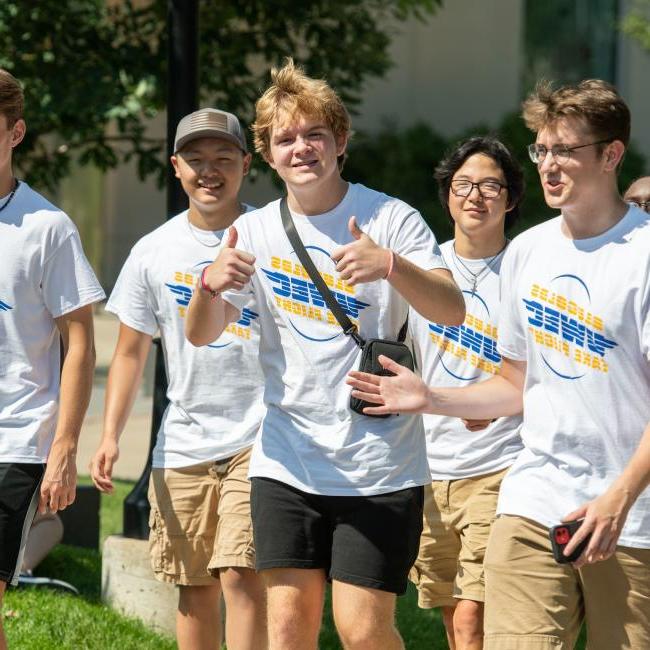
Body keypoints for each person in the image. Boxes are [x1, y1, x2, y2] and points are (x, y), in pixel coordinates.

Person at [347, 79, 650, 649]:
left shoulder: (644, 256)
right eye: (542, 150)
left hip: (633, 515)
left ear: (611, 155)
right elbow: (515, 381)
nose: (550, 166)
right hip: (533, 498)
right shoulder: (530, 251)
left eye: (567, 151)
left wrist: (620, 497)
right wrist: (431, 398)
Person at [185, 59, 465, 650]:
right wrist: (208, 286)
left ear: (340, 141)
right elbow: (200, 334)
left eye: (314, 134)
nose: (302, 148)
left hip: (379, 464)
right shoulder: (255, 231)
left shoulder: (390, 217)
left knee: (363, 632)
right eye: (285, 138)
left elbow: (451, 308)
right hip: (288, 460)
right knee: (286, 631)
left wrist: (391, 265)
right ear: (267, 153)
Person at [90, 108, 267, 650]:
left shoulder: (274, 236)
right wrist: (110, 434)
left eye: (222, 159)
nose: (208, 171)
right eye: (195, 160)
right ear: (175, 167)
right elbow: (128, 352)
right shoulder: (153, 250)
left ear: (246, 163)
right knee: (194, 588)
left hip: (264, 434)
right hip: (185, 439)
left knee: (241, 573)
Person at [0, 69, 105, 649]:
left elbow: (81, 342)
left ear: (15, 132)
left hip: (13, 438)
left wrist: (64, 446)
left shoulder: (47, 228)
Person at [408, 136, 524, 650]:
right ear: (448, 195)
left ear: (512, 198)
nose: (475, 196)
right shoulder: (422, 268)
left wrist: (497, 402)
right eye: (463, 185)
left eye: (490, 185)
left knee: (477, 614)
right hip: (428, 466)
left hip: (502, 463)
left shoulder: (528, 269)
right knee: (454, 617)